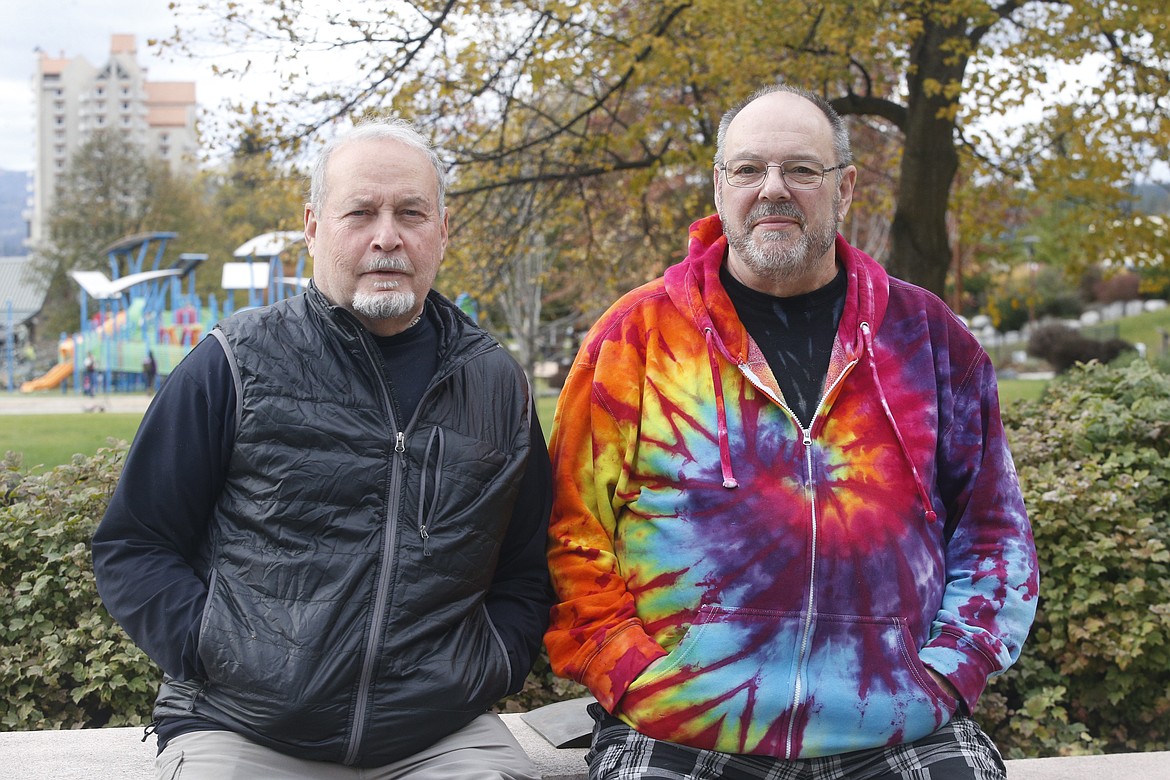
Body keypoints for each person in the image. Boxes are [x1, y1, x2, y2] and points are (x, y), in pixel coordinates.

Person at [544, 84, 1039, 779]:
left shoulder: (930, 338)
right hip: (684, 730)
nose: (772, 189)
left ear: (845, 187)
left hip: (900, 726)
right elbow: (573, 536)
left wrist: (951, 671)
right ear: (720, 186)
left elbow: (994, 531)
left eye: (801, 170)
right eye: (748, 169)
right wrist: (633, 677)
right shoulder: (635, 339)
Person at [93, 117, 553, 779]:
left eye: (411, 213)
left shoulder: (496, 384)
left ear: (442, 231)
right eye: (360, 212)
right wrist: (214, 648)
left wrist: (496, 659)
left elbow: (526, 570)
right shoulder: (233, 361)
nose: (387, 236)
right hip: (243, 727)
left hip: (437, 734)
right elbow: (134, 544)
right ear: (313, 226)